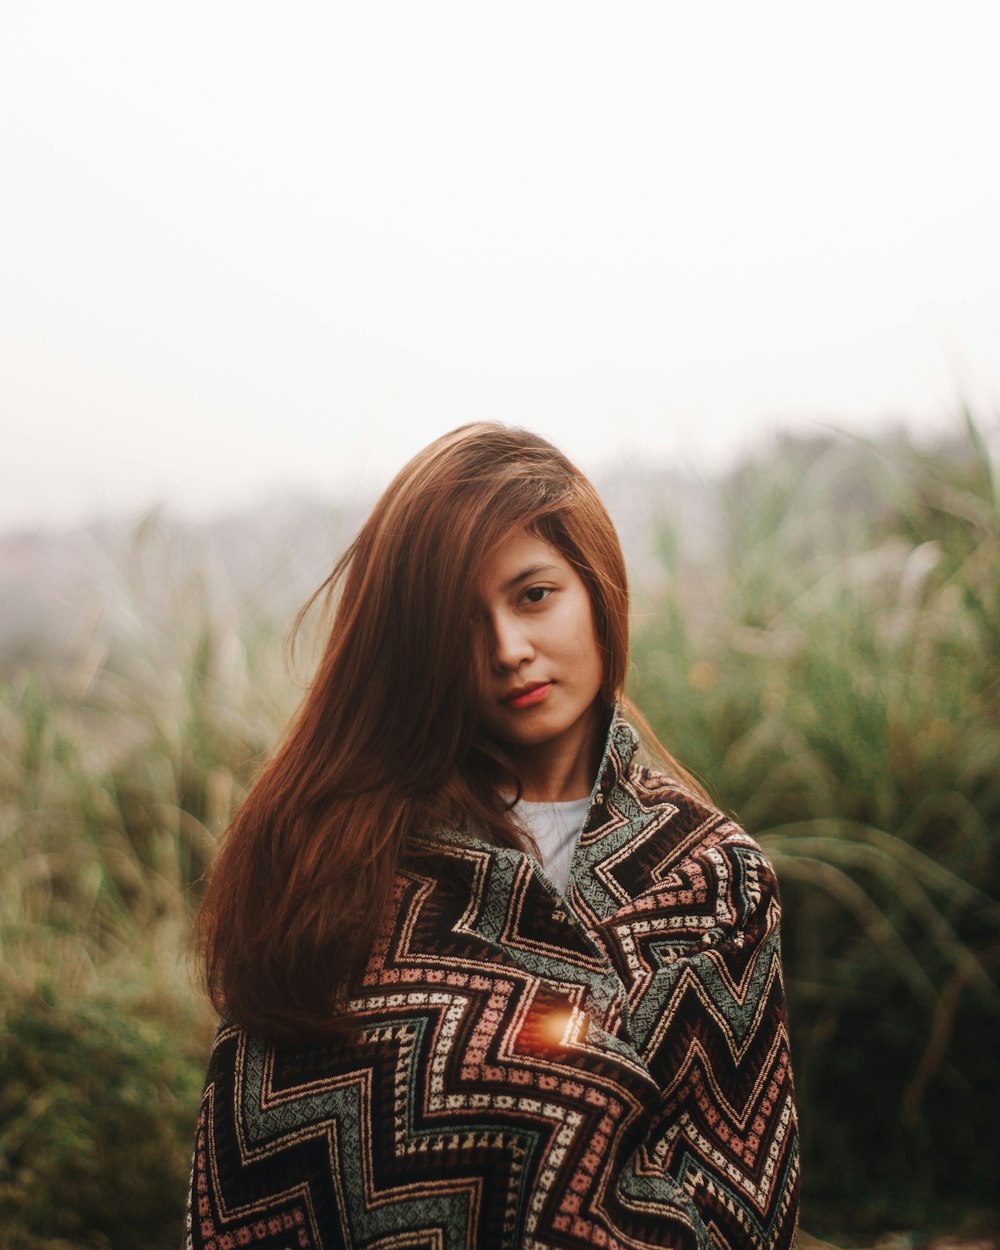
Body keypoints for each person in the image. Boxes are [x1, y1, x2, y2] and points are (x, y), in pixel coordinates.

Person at [185, 424, 800, 1250]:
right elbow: (253, 1157)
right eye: (463, 621)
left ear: (597, 589)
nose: (509, 650)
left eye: (534, 595)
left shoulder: (711, 877)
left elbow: (738, 1201)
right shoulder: (337, 850)